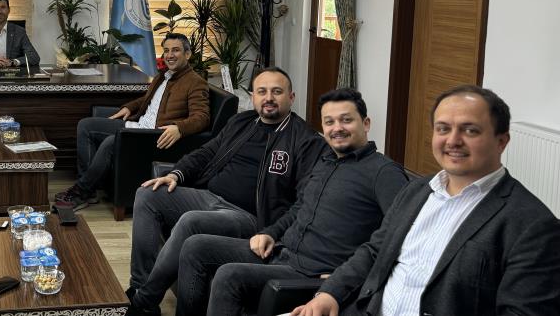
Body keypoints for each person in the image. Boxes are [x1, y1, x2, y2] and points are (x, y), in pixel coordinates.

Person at [292, 85, 560, 316]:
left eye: (470, 130)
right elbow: (375, 251)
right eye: (443, 128)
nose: (453, 141)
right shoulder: (418, 190)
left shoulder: (533, 225)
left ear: (501, 141)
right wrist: (330, 294)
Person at [174, 88, 409, 316]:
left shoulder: (384, 173)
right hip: (281, 251)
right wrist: (271, 233)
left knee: (229, 275)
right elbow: (298, 208)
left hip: (314, 272)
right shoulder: (325, 160)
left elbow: (396, 238)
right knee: (196, 246)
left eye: (346, 120)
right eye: (329, 122)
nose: (337, 128)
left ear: (365, 124)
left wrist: (341, 279)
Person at [126, 67, 327, 316]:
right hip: (209, 196)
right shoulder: (242, 122)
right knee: (147, 194)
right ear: (253, 96)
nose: (269, 98)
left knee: (191, 222)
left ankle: (143, 301)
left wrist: (273, 232)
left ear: (291, 97)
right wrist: (176, 174)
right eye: (262, 91)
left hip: (248, 216)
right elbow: (207, 152)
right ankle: (139, 286)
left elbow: (305, 200)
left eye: (277, 92)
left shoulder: (305, 140)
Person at [53, 33, 209, 211]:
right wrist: (129, 107)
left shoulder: (195, 82)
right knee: (86, 125)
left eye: (175, 50)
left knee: (112, 141)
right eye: (166, 51)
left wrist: (179, 128)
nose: (169, 55)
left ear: (187, 54)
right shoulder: (163, 76)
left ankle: (81, 191)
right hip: (137, 126)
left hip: (152, 137)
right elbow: (148, 100)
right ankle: (89, 189)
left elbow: (202, 117)